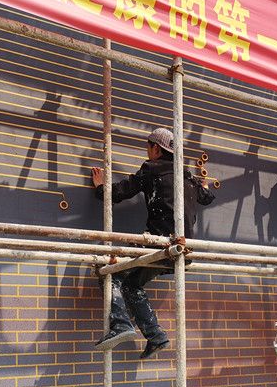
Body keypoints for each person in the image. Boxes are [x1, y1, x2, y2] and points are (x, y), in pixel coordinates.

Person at [91, 127, 215, 359]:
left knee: (107, 269)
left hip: (160, 244)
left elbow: (118, 193)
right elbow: (206, 197)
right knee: (132, 285)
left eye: (148, 148)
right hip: (182, 250)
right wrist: (205, 185)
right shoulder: (187, 176)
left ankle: (121, 324)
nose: (147, 153)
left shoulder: (152, 169)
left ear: (156, 148)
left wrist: (100, 188)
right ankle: (156, 336)